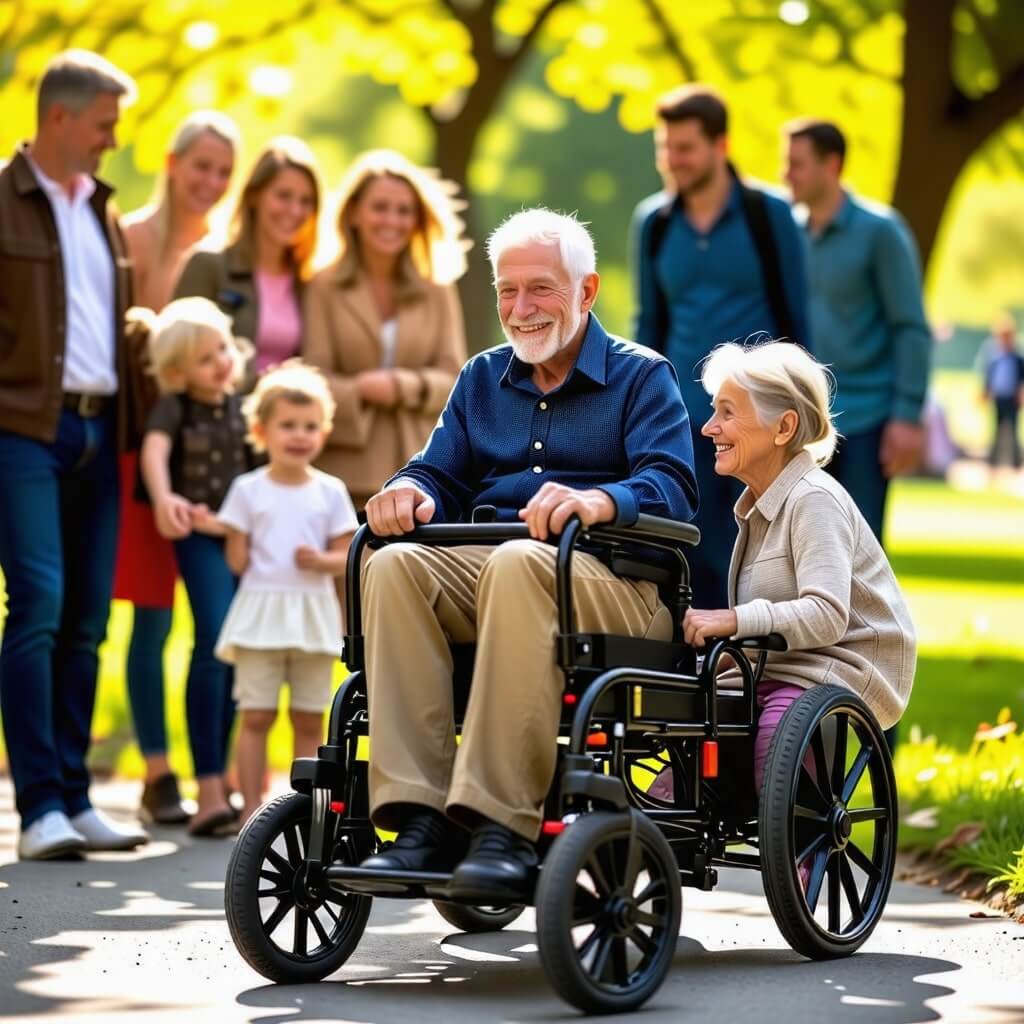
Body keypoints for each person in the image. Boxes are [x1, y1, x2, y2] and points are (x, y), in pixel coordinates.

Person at [356, 209, 698, 899]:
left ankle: (499, 825)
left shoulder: (641, 376)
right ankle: (418, 821)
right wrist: (404, 490)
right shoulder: (482, 379)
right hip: (501, 576)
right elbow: (438, 473)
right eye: (507, 291)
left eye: (540, 289)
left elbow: (675, 486)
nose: (521, 308)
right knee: (392, 562)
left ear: (587, 291)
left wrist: (602, 500)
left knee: (519, 562)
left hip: (616, 588)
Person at [0, 49, 149, 859]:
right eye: (104, 125)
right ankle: (39, 809)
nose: (111, 141)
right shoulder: (1, 199)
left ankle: (76, 794)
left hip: (102, 430)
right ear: (60, 117)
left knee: (89, 620)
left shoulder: (102, 208)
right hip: (22, 429)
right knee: (39, 607)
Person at [681, 341, 915, 797]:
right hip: (785, 665)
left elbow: (827, 614)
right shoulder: (756, 508)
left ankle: (798, 863)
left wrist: (732, 620)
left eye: (727, 413)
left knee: (777, 731)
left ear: (783, 427)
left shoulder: (813, 500)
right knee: (688, 733)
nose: (709, 428)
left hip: (842, 664)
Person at [632, 84, 810, 609]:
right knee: (689, 550)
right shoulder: (655, 224)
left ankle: (763, 670)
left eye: (685, 148)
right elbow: (650, 323)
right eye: (666, 148)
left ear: (720, 146)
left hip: (758, 418)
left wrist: (796, 416)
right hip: (680, 418)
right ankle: (698, 671)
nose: (673, 161)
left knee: (761, 552)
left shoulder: (767, 215)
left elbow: (794, 317)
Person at [114, 111, 240, 825]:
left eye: (224, 171)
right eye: (202, 166)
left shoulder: (220, 255)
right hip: (141, 446)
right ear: (172, 161)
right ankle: (158, 771)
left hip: (205, 466)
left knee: (206, 622)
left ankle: (208, 774)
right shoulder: (127, 238)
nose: (212, 183)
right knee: (151, 616)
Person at [214, 362, 358, 823]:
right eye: (288, 426)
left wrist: (322, 561)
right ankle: (252, 813)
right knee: (255, 714)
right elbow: (236, 559)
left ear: (325, 431)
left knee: (309, 720)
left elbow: (348, 556)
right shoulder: (247, 489)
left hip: (313, 615)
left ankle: (307, 812)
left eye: (311, 426)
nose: (300, 435)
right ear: (261, 430)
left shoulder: (331, 491)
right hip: (261, 615)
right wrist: (236, 540)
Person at [784, 118, 932, 543]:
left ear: (832, 165)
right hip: (802, 420)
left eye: (797, 164)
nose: (786, 175)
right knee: (805, 545)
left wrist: (907, 414)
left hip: (868, 418)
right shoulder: (787, 234)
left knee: (861, 548)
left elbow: (910, 327)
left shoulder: (881, 232)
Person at [139, 297, 255, 836]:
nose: (223, 363)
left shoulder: (244, 408)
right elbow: (156, 452)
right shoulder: (175, 407)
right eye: (207, 359)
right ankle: (207, 784)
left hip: (238, 539)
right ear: (178, 372)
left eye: (225, 350)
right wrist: (165, 499)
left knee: (234, 648)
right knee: (212, 637)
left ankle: (226, 777)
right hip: (197, 535)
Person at [304, 149, 468, 509]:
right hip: (344, 470)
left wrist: (400, 387)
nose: (391, 220)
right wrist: (361, 389)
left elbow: (455, 379)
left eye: (404, 210)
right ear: (354, 213)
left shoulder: (436, 288)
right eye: (380, 207)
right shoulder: (323, 286)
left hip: (423, 469)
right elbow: (314, 377)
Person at [174, 136, 321, 384]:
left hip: (288, 420)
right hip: (218, 420)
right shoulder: (208, 266)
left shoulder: (309, 282)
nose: (295, 211)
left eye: (306, 201)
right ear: (254, 196)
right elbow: (176, 354)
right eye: (283, 196)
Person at [981, 313, 1024, 470]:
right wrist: (985, 392)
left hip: (1012, 398)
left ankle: (1016, 463)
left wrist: (1020, 395)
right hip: (999, 397)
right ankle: (992, 462)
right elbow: (988, 377)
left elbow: (1020, 379)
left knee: (1013, 429)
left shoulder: (1017, 358)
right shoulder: (994, 357)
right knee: (996, 430)